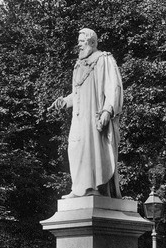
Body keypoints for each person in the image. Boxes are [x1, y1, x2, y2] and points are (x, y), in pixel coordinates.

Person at [49, 28, 123, 199]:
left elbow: (114, 87)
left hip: (95, 116)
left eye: (81, 42)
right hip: (80, 118)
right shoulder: (79, 65)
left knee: (93, 150)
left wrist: (107, 110)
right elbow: (78, 92)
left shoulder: (104, 59)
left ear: (91, 42)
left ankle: (93, 188)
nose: (78, 45)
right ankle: (80, 188)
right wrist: (64, 101)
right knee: (75, 148)